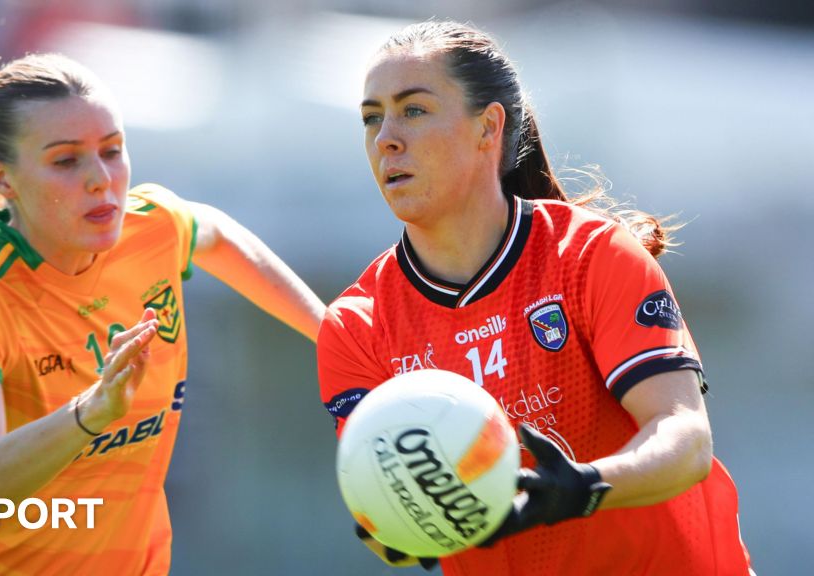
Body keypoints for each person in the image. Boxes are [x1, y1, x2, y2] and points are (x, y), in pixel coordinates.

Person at [0, 8, 324, 576]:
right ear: (4, 180)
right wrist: (92, 412)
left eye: (112, 149)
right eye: (66, 160)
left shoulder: (148, 228)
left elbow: (215, 233)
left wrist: (332, 336)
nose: (101, 179)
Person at [317, 20, 753, 575]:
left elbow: (686, 440)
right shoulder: (355, 328)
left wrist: (585, 487)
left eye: (414, 110)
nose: (386, 139)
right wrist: (393, 522)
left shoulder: (588, 254)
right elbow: (382, 497)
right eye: (372, 118)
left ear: (488, 127)